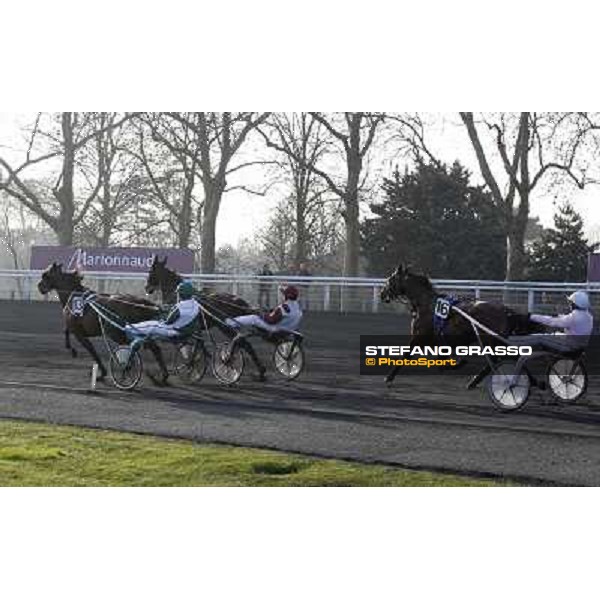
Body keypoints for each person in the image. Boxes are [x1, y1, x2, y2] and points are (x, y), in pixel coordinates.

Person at [512, 291, 594, 353]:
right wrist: (559, 316)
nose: (569, 305)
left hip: (570, 346)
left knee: (540, 337)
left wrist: (531, 316)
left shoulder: (573, 317)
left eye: (570, 303)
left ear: (574, 304)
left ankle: (516, 344)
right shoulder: (589, 316)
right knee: (554, 334)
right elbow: (567, 321)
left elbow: (552, 322)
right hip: (580, 345)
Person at [126, 280, 200, 341]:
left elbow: (168, 321)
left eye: (178, 293)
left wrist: (162, 320)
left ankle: (129, 329)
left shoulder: (179, 307)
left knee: (152, 324)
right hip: (186, 330)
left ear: (181, 295)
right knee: (154, 323)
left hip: (174, 331)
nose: (177, 295)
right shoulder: (196, 304)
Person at [226, 285, 303, 334]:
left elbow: (270, 320)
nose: (282, 295)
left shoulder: (284, 307)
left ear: (286, 296)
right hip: (289, 329)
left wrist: (259, 313)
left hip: (276, 329)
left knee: (253, 318)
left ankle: (231, 322)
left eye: (283, 294)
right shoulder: (297, 306)